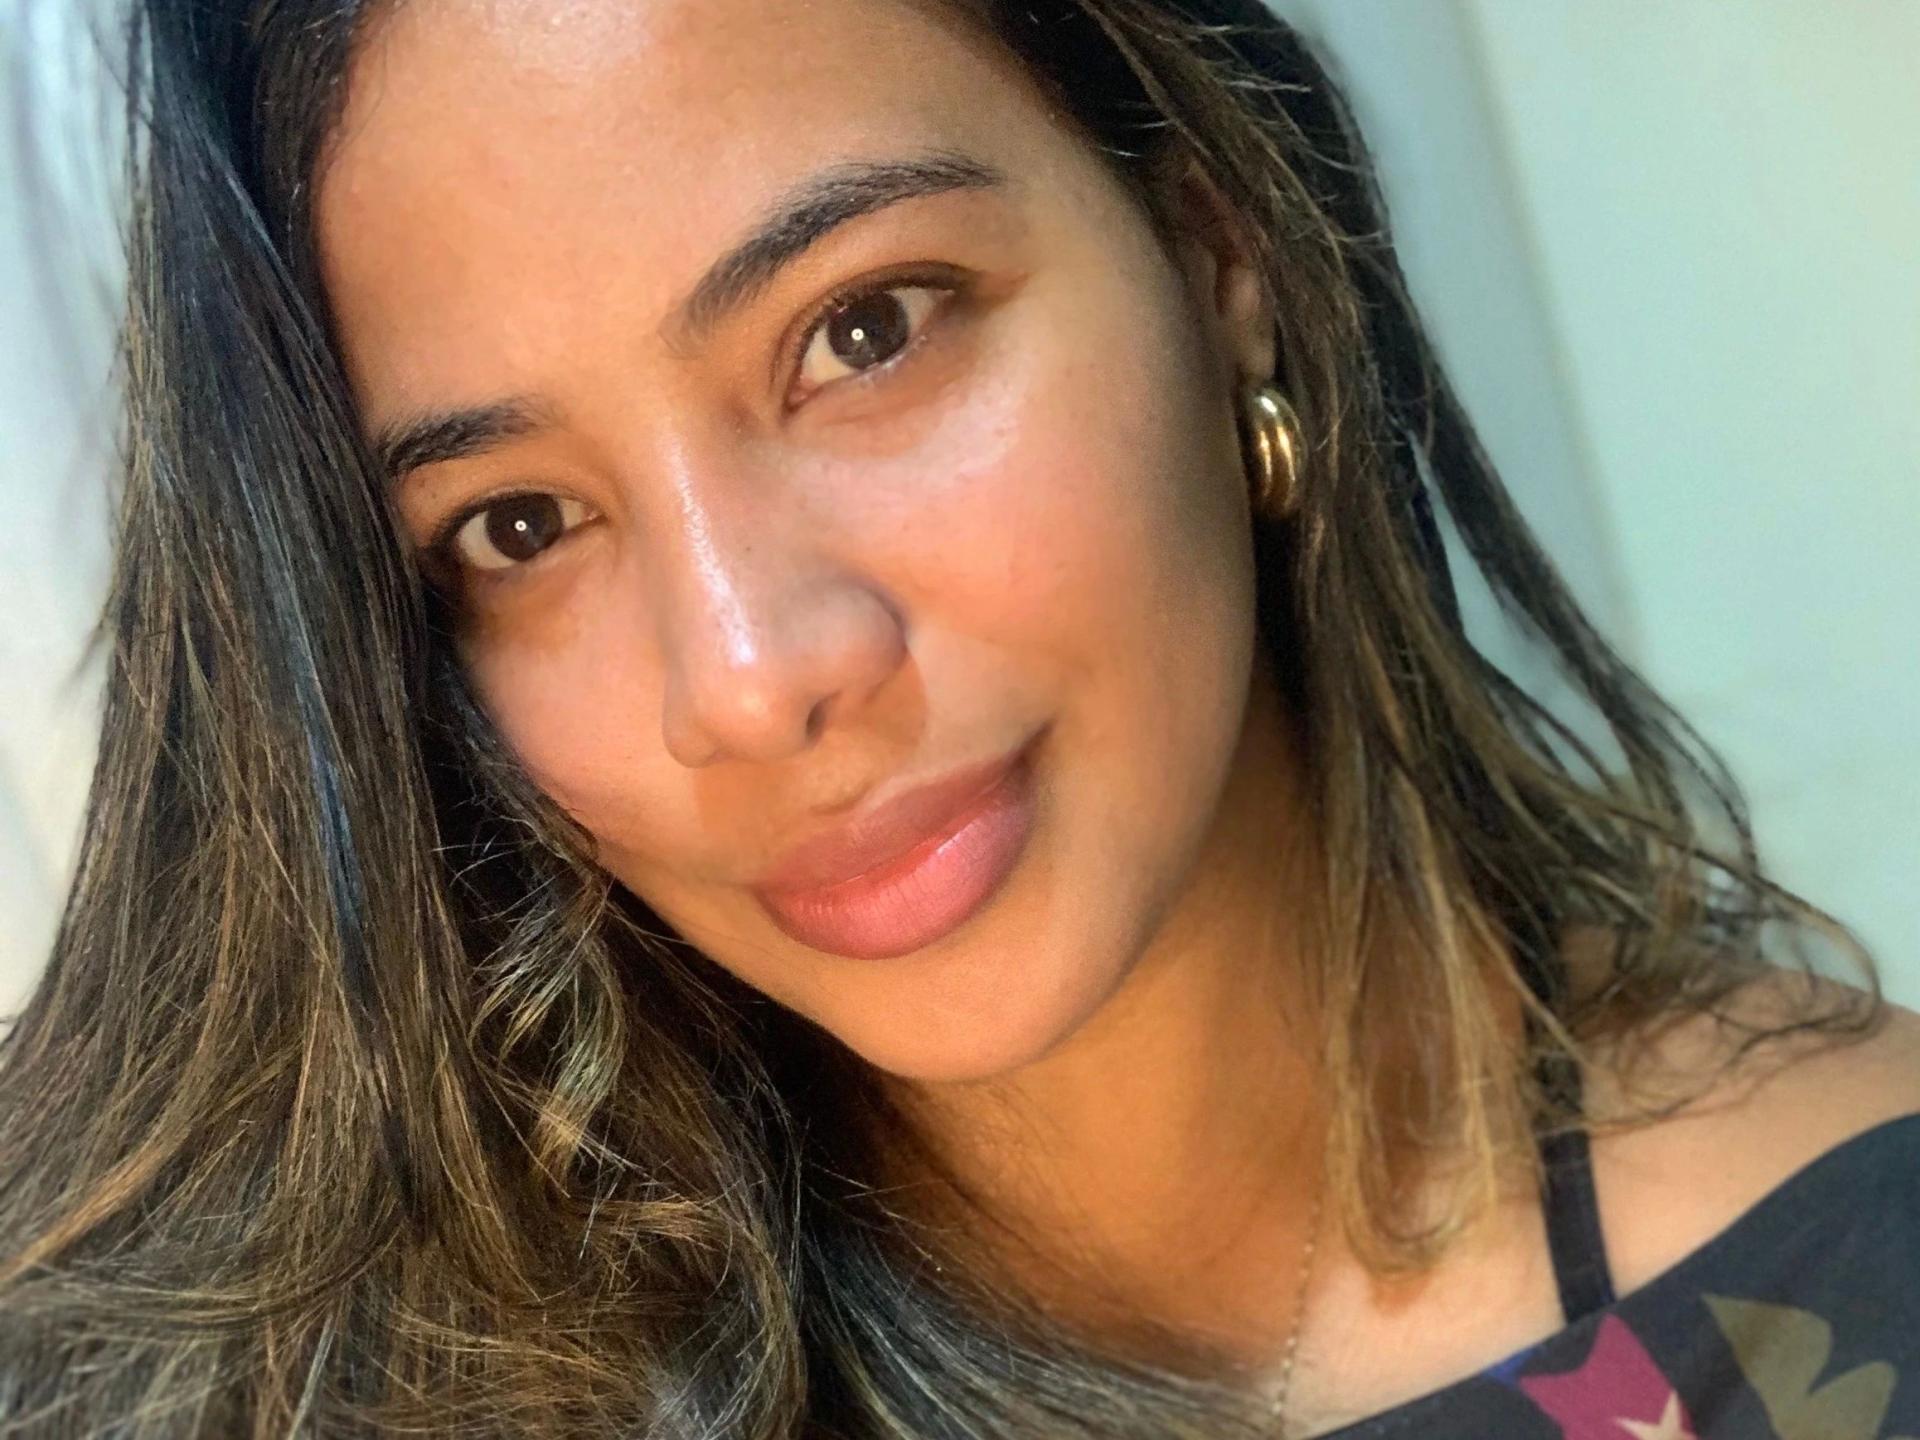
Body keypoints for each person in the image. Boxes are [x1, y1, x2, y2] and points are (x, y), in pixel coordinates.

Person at [1, 0, 1914, 1435]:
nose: (750, 676)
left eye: (866, 330)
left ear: (1216, 251)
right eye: (519, 528)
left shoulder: (1862, 1257)